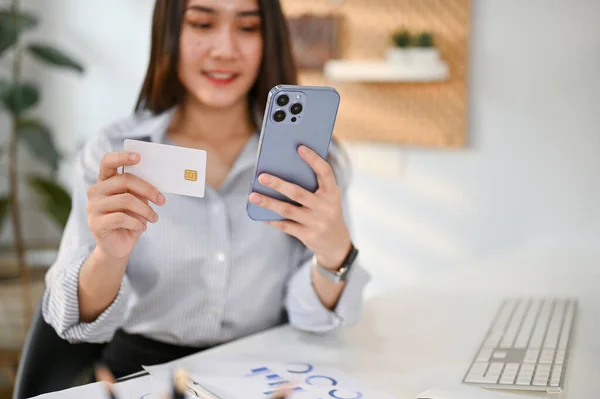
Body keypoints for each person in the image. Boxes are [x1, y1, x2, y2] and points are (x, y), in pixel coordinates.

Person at [43, 0, 370, 378]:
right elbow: (70, 319)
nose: (225, 50)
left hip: (263, 371)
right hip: (142, 374)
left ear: (270, 40)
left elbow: (313, 320)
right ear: (170, 33)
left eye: (248, 28)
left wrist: (333, 256)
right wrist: (109, 256)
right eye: (201, 24)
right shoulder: (116, 151)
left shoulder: (312, 160)